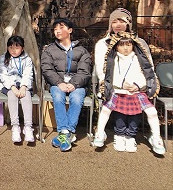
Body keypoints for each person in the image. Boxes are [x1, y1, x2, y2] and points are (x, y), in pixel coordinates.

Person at [93, 8, 165, 154]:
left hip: (137, 88)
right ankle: (111, 134)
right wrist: (113, 85)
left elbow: (147, 68)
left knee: (148, 110)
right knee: (109, 107)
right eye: (114, 21)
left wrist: (139, 86)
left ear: (128, 24)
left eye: (122, 21)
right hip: (111, 86)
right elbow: (102, 71)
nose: (118, 24)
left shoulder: (140, 43)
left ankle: (145, 137)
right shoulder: (102, 44)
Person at [41, 18, 92, 151]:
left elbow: (85, 71)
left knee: (76, 98)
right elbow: (47, 69)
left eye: (61, 27)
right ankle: (66, 131)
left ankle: (65, 132)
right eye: (55, 28)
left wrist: (74, 83)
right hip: (57, 84)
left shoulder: (82, 51)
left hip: (77, 84)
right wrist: (59, 83)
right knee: (58, 97)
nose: (57, 31)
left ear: (70, 30)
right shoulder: (49, 50)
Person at [0, 35, 35, 143]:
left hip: (23, 85)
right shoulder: (3, 58)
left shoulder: (27, 59)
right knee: (12, 96)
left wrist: (23, 87)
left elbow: (28, 74)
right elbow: (2, 75)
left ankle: (28, 127)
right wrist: (13, 88)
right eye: (11, 47)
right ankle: (15, 127)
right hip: (8, 85)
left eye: (17, 47)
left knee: (26, 96)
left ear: (22, 48)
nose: (13, 50)